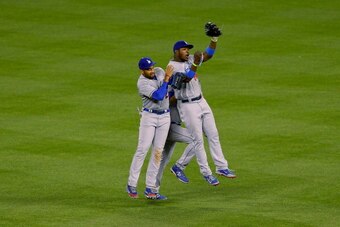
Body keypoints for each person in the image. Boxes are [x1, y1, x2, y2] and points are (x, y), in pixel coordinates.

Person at [167, 22, 236, 184]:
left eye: (188, 49)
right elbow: (186, 78)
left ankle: (221, 167)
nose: (187, 52)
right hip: (187, 106)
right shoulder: (172, 66)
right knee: (197, 139)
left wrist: (214, 39)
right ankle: (206, 173)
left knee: (213, 134)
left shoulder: (190, 59)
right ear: (176, 51)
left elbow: (208, 55)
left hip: (201, 101)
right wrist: (196, 63)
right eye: (184, 49)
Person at [126, 57, 174, 200]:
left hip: (165, 117)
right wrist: (166, 80)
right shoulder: (142, 83)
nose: (152, 70)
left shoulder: (159, 71)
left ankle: (150, 188)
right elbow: (159, 96)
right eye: (148, 69)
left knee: (158, 151)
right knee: (142, 149)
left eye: (152, 67)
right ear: (142, 71)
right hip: (149, 117)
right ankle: (131, 184)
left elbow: (172, 82)